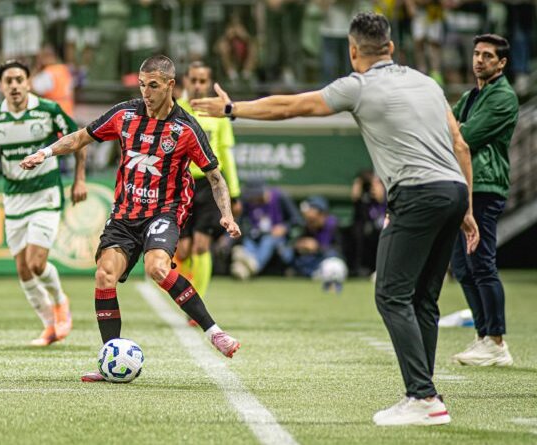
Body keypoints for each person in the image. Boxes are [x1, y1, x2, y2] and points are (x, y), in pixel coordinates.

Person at [192, 12, 479, 426]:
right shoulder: (427, 83)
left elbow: (292, 106)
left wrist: (232, 108)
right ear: (391, 47)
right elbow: (460, 145)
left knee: (391, 295)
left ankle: (422, 396)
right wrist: (467, 208)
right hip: (453, 189)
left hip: (416, 194)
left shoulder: (357, 86)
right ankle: (425, 392)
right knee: (423, 299)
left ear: (352, 50)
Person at [20, 55, 243, 382]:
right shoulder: (125, 114)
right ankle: (111, 359)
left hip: (164, 211)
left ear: (170, 85)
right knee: (104, 275)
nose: (146, 93)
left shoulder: (185, 128)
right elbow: (80, 137)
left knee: (157, 268)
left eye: (153, 86)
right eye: (142, 85)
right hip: (125, 214)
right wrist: (45, 153)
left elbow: (215, 176)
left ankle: (214, 332)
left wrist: (227, 215)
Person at [0, 60, 87, 347]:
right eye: (8, 81)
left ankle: (60, 302)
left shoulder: (48, 110)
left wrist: (79, 179)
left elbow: (79, 139)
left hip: (45, 194)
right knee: (23, 270)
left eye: (19, 80)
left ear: (28, 83)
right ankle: (50, 326)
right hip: (14, 198)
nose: (14, 85)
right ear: (1, 86)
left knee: (36, 263)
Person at [449, 34, 519, 368]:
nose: (479, 60)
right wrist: (456, 128)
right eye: (477, 53)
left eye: (488, 56)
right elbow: (447, 128)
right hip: (465, 186)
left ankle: (496, 341)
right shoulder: (471, 96)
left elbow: (464, 136)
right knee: (463, 267)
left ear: (501, 63)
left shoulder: (503, 97)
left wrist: (458, 128)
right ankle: (483, 336)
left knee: (482, 263)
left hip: (486, 186)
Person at [174, 61, 240, 308]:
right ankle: (187, 286)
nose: (198, 85)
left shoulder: (218, 114)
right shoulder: (173, 110)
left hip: (210, 184)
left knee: (202, 245)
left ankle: (196, 303)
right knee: (182, 250)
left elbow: (226, 153)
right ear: (185, 81)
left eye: (203, 81)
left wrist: (234, 193)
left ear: (209, 83)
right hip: (181, 184)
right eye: (194, 80)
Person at [230, 185, 300, 280]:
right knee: (248, 240)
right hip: (255, 236)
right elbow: (241, 221)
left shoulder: (280, 197)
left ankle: (252, 265)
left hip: (278, 240)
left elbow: (297, 220)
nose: (253, 200)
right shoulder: (249, 202)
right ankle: (245, 268)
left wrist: (284, 228)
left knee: (268, 240)